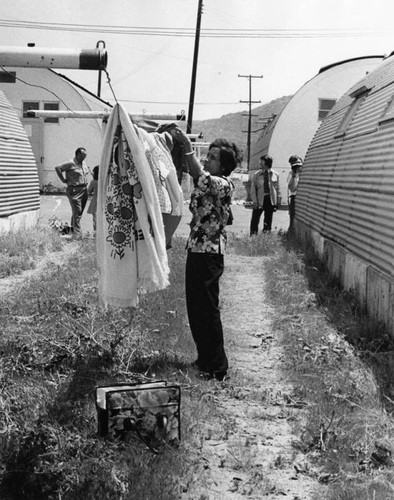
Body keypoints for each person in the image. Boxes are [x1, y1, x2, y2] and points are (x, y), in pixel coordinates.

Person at [173, 126, 241, 381]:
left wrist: (187, 148)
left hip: (210, 252)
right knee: (196, 306)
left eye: (212, 157)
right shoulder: (210, 184)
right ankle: (204, 359)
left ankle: (216, 367)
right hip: (197, 248)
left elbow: (201, 177)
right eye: (207, 155)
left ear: (223, 167)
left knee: (208, 308)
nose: (207, 159)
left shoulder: (223, 184)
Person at [55, 147, 89, 239]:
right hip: (74, 190)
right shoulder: (70, 163)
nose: (84, 156)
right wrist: (63, 180)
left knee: (79, 213)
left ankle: (73, 231)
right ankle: (77, 234)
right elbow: (58, 168)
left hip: (84, 189)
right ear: (77, 154)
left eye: (85, 154)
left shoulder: (84, 163)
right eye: (83, 154)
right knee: (77, 212)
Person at [249, 155, 280, 235]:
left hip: (270, 200)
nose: (260, 163)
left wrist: (277, 202)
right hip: (259, 200)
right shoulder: (257, 175)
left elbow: (277, 189)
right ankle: (253, 236)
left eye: (262, 161)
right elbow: (253, 189)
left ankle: (266, 236)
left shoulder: (275, 175)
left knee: (268, 220)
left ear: (267, 163)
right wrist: (255, 201)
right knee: (255, 219)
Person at [287, 155, 303, 232]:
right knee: (293, 221)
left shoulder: (307, 172)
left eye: (299, 163)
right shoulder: (291, 173)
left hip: (304, 199)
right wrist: (294, 175)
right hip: (295, 199)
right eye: (294, 163)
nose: (298, 165)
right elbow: (292, 189)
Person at [87, 165, 99, 234]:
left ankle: (95, 233)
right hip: (104, 202)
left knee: (95, 220)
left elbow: (89, 191)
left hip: (95, 202)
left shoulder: (93, 182)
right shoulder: (105, 181)